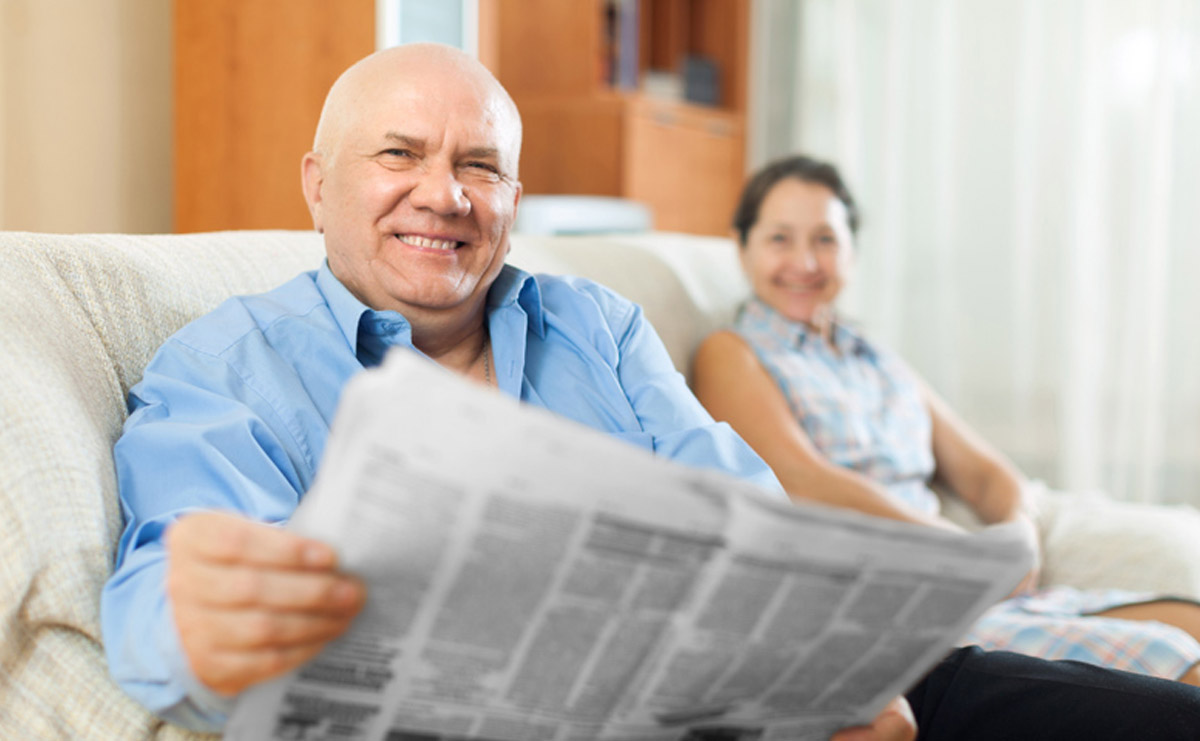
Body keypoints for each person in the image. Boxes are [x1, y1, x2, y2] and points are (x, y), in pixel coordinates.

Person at [100, 45, 1200, 741]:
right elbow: (163, 587)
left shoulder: (595, 323)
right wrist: (194, 620)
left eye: (479, 165)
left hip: (790, 692)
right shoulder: (225, 365)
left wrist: (832, 674)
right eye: (399, 154)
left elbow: (748, 513)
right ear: (316, 182)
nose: (443, 194)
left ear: (514, 196)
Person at [692, 154, 1200, 688]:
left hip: (973, 582)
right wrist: (956, 547)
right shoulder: (732, 352)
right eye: (779, 239)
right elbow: (801, 479)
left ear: (851, 252)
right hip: (896, 597)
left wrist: (1018, 531)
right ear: (742, 246)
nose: (805, 261)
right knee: (1179, 663)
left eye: (825, 239)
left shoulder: (872, 357)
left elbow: (983, 472)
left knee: (1192, 621)